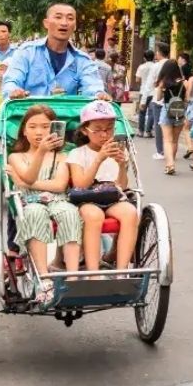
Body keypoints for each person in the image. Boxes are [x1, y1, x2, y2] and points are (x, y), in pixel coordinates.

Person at [7, 105, 83, 306]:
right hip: (30, 203)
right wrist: (40, 153)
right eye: (32, 127)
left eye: (45, 126)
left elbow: (59, 186)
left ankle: (73, 278)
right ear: (24, 131)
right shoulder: (16, 157)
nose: (39, 132)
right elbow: (30, 175)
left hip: (59, 200)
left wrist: (22, 182)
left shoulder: (62, 156)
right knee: (34, 213)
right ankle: (44, 280)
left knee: (70, 212)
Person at [65, 100, 139, 271]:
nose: (104, 135)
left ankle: (121, 270)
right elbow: (80, 184)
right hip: (87, 198)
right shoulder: (77, 153)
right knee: (93, 215)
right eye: (97, 130)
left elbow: (121, 186)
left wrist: (121, 165)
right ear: (85, 130)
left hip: (112, 195)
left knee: (130, 213)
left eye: (109, 129)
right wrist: (99, 159)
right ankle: (93, 271)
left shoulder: (119, 150)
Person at [1, 3, 109, 100]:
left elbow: (92, 87)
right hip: (29, 114)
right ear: (46, 23)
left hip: (65, 114)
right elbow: (11, 82)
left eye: (70, 18)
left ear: (75, 26)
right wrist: (14, 91)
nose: (64, 23)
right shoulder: (27, 52)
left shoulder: (83, 60)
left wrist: (99, 94)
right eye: (58, 17)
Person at [154, 59, 186, 175]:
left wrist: (160, 88)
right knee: (175, 140)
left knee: (167, 140)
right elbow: (186, 99)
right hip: (180, 111)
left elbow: (158, 98)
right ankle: (171, 163)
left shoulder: (164, 83)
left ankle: (170, 164)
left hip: (167, 109)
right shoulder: (183, 82)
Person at [134, 49, 158, 137]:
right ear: (153, 57)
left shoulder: (141, 67)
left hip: (143, 91)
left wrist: (143, 82)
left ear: (144, 58)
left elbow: (137, 80)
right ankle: (148, 131)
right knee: (151, 112)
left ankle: (140, 131)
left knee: (142, 112)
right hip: (153, 92)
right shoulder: (156, 66)